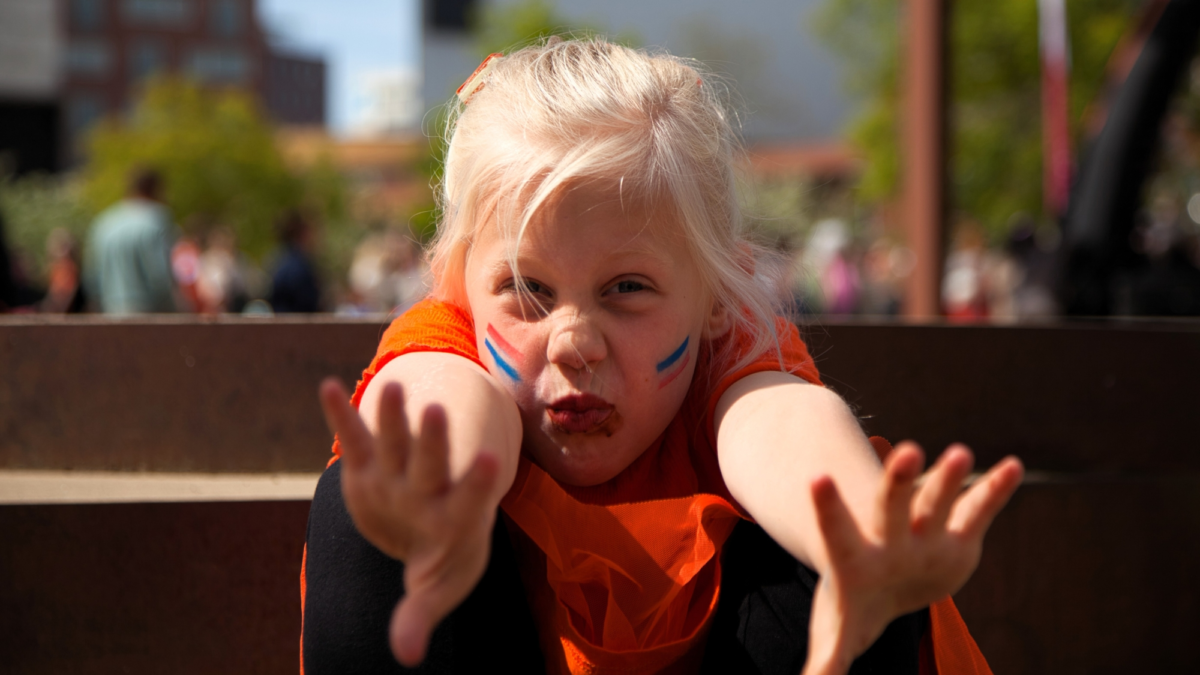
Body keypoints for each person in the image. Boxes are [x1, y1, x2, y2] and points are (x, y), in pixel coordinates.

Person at [302, 38, 1023, 675]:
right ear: (459, 284)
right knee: (373, 502)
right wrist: (438, 476)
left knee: (829, 536)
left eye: (626, 288)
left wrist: (865, 534)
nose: (574, 340)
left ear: (714, 297)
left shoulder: (731, 348)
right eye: (528, 288)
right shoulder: (451, 339)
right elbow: (442, 398)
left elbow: (782, 426)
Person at [86, 168, 178, 314]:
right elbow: (160, 278)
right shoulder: (156, 217)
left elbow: (92, 278)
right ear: (156, 189)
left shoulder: (104, 221)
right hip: (149, 313)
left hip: (112, 311)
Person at [269, 210, 322, 313]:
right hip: (297, 324)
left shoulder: (277, 259)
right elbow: (308, 302)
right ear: (302, 234)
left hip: (281, 323)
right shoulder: (299, 266)